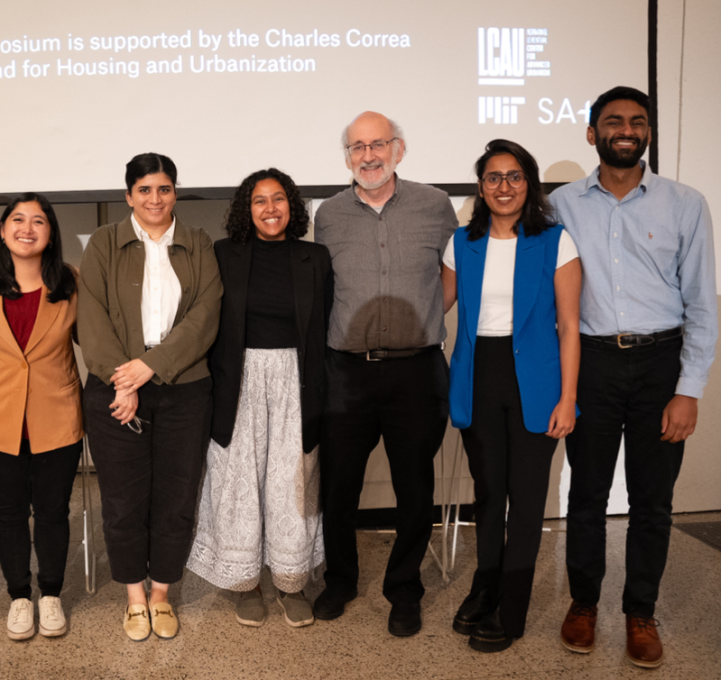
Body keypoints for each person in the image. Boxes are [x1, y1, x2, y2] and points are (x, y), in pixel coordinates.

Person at [550, 86, 717, 669]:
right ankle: (584, 604)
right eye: (613, 121)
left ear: (647, 132)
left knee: (653, 500)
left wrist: (688, 389)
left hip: (660, 365)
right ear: (592, 133)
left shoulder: (685, 203)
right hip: (591, 363)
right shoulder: (561, 204)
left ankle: (640, 612)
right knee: (588, 494)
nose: (627, 129)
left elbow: (700, 302)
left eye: (638, 121)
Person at [312, 112, 458, 636]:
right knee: (338, 488)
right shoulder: (327, 214)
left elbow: (453, 269)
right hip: (345, 374)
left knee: (415, 488)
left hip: (415, 374)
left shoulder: (436, 205)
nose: (368, 155)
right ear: (347, 155)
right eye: (357, 147)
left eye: (378, 145)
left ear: (399, 148)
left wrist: (423, 316)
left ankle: (404, 589)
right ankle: (341, 580)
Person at [440, 140, 582, 652]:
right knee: (488, 494)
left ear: (530, 183)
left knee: (525, 502)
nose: (504, 186)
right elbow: (436, 306)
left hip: (538, 384)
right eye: (494, 177)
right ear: (481, 186)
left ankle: (512, 610)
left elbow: (569, 326)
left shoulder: (555, 241)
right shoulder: (462, 241)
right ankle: (486, 585)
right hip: (480, 376)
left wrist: (567, 399)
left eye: (515, 176)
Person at [78, 152, 223, 641]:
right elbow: (91, 320)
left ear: (175, 193)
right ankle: (134, 598)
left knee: (177, 498)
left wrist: (149, 368)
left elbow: (206, 314)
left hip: (185, 390)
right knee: (122, 500)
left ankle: (161, 594)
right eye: (144, 190)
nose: (154, 199)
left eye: (163, 189)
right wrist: (126, 382)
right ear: (128, 196)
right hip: (117, 393)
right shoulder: (103, 243)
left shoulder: (198, 243)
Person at [187, 168, 331, 628]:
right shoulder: (223, 254)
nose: (270, 209)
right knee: (239, 481)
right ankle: (243, 582)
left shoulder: (316, 257)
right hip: (239, 379)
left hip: (296, 379)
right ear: (245, 210)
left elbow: (325, 325)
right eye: (259, 201)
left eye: (278, 199)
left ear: (292, 205)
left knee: (293, 479)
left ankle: (292, 582)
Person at [0, 193, 83, 641]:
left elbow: (91, 338)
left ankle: (50, 593)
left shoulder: (72, 283)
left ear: (50, 233)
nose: (27, 229)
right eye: (18, 219)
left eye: (38, 221)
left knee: (53, 511)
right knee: (9, 513)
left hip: (57, 415)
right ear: (2, 229)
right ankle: (19, 596)